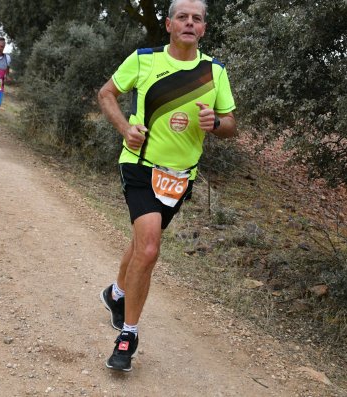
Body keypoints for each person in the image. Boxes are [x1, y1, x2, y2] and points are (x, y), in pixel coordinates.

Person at [97, 0, 236, 372]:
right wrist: (126, 128)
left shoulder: (215, 73)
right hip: (139, 166)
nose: (190, 23)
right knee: (150, 247)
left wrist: (216, 125)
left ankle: (116, 294)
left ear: (204, 28)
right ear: (169, 23)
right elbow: (105, 93)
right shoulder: (144, 59)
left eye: (197, 18)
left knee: (141, 246)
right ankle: (128, 335)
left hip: (180, 176)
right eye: (183, 17)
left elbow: (231, 125)